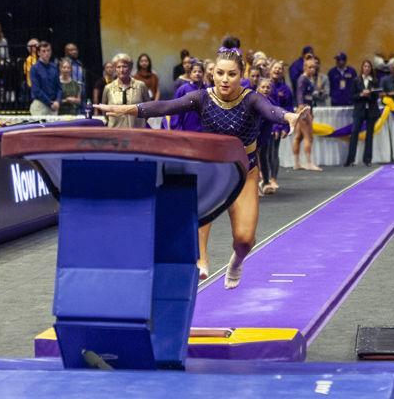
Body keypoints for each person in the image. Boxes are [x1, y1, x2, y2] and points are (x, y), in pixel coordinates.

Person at [95, 48, 308, 289]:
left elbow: (272, 111)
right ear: (212, 74)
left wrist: (289, 117)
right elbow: (165, 106)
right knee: (200, 213)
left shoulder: (252, 98)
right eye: (220, 73)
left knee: (245, 241)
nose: (225, 79)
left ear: (241, 76)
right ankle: (201, 259)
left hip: (245, 171)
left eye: (231, 74)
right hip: (213, 170)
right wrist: (128, 109)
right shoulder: (202, 97)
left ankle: (238, 260)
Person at [345, 60, 380, 167]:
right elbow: (352, 97)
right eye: (365, 66)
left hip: (371, 110)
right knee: (354, 133)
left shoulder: (374, 81)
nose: (367, 68)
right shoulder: (356, 80)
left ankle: (367, 159)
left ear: (371, 69)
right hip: (359, 110)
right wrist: (361, 94)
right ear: (362, 68)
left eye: (368, 66)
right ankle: (350, 160)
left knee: (369, 135)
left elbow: (376, 96)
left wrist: (369, 94)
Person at [101, 53, 150, 128]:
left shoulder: (140, 86)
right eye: (118, 67)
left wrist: (140, 122)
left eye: (124, 66)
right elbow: (105, 111)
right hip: (115, 132)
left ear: (130, 68)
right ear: (115, 69)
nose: (121, 70)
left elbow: (148, 108)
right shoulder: (108, 88)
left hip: (137, 131)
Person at [266, 60, 293, 191]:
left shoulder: (286, 89)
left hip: (277, 125)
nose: (277, 70)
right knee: (263, 153)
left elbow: (288, 108)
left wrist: (285, 127)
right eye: (275, 68)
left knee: (273, 152)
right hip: (264, 124)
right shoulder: (265, 85)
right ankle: (264, 179)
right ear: (270, 70)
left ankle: (273, 178)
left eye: (280, 69)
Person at [293, 57, 322, 171]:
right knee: (308, 137)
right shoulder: (302, 79)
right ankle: (309, 162)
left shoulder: (309, 79)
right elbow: (299, 94)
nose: (313, 69)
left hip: (307, 108)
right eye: (310, 67)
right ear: (304, 67)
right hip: (304, 110)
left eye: (314, 67)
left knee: (299, 136)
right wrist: (302, 109)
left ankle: (296, 163)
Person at [169, 59, 205, 131]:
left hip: (204, 130)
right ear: (190, 74)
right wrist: (177, 128)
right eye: (194, 72)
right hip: (186, 128)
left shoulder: (207, 89)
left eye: (200, 71)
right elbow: (175, 110)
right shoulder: (182, 89)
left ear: (203, 74)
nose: (197, 74)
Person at [29, 41, 62, 116]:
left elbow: (59, 88)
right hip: (40, 104)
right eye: (43, 51)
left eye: (48, 50)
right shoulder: (34, 68)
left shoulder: (54, 67)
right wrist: (50, 103)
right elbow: (36, 90)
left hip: (54, 105)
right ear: (38, 53)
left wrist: (57, 101)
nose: (46, 53)